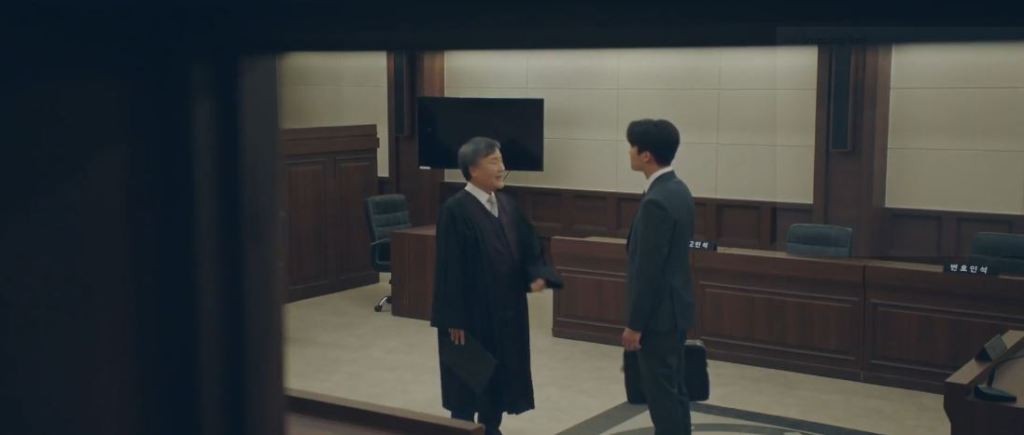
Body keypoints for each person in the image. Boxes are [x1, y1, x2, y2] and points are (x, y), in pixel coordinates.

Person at [430, 136, 562, 435]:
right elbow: (449, 267)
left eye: (501, 161)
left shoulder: (507, 204)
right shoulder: (455, 210)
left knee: (501, 377)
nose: (502, 167)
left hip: (507, 312)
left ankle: (491, 428)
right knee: (468, 380)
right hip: (471, 317)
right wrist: (454, 319)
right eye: (494, 162)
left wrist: (539, 274)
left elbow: (530, 246)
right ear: (472, 169)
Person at [622, 119, 696, 435]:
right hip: (675, 311)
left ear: (646, 155)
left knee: (662, 398)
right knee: (674, 391)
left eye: (632, 146)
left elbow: (648, 272)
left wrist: (634, 325)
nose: (629, 152)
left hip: (657, 317)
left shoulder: (656, 201)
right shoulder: (679, 190)